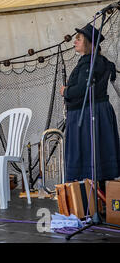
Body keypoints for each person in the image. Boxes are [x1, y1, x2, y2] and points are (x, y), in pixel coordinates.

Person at [60, 23, 119, 187]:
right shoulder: (96, 61)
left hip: (88, 115)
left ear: (90, 43)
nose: (75, 41)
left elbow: (81, 90)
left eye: (79, 38)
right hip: (92, 113)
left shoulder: (90, 62)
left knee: (89, 156)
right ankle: (95, 196)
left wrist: (65, 91)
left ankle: (89, 200)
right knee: (98, 155)